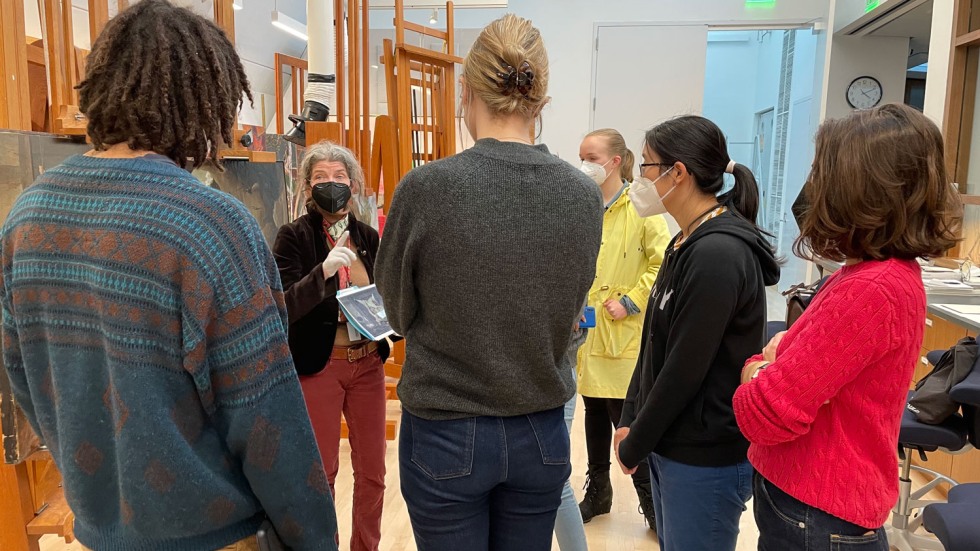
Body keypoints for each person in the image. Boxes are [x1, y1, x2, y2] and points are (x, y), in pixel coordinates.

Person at [0, 1, 338, 550]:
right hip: (213, 536)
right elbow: (267, 421)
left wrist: (97, 480)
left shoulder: (25, 217)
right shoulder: (211, 226)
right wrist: (315, 539)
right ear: (203, 101)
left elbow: (22, 376)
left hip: (98, 530)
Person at [375, 13, 603, 551]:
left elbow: (396, 313)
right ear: (541, 101)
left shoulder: (426, 189)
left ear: (465, 91)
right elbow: (570, 313)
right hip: (541, 428)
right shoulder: (582, 196)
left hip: (447, 428)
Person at [733, 103, 960, 551]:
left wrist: (758, 371)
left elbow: (765, 414)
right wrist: (771, 362)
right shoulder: (862, 274)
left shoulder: (873, 288)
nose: (812, 188)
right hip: (805, 503)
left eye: (822, 174)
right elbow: (778, 357)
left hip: (816, 514)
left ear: (861, 188)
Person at [613, 115, 780, 551]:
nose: (640, 178)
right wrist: (631, 417)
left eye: (647, 166)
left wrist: (637, 443)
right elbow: (655, 343)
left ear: (678, 173)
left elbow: (686, 368)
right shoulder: (684, 241)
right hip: (673, 444)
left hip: (705, 454)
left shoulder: (718, 255)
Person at [273, 141, 390, 551]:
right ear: (307, 189)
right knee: (321, 473)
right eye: (321, 177)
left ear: (353, 184)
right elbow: (283, 305)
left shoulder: (368, 237)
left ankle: (366, 546)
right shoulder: (293, 237)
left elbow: (387, 297)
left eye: (339, 177)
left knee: (373, 472)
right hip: (320, 365)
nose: (331, 184)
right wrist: (323, 272)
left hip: (369, 365)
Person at [575, 128, 669, 528]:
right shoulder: (583, 206)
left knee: (625, 420)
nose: (584, 165)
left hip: (623, 331)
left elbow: (663, 262)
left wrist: (630, 300)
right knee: (593, 410)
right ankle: (598, 490)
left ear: (615, 162)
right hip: (587, 332)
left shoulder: (641, 207)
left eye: (592, 157)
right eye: (581, 156)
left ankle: (651, 500)